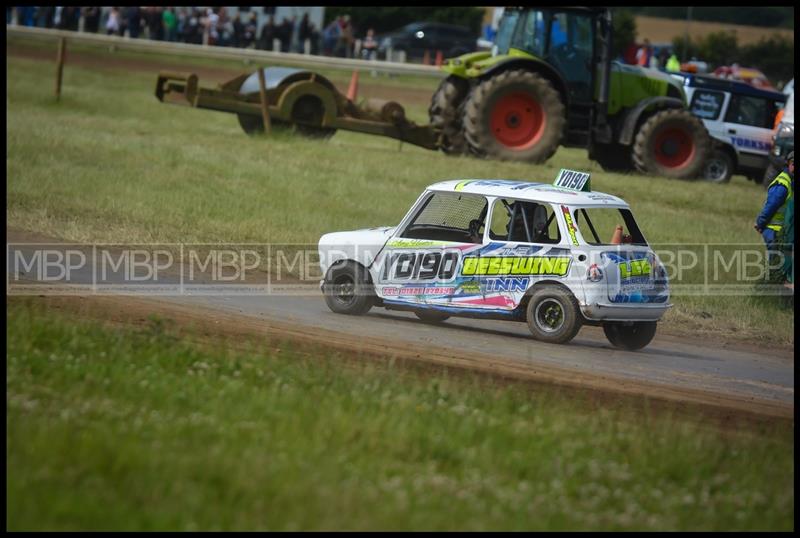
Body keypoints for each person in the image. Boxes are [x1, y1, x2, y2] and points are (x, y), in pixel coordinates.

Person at [755, 151, 794, 281]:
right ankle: (768, 287)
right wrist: (760, 223)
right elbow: (770, 206)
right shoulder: (782, 184)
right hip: (774, 232)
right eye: (794, 164)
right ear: (788, 164)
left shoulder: (791, 182)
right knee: (776, 264)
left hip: (784, 233)